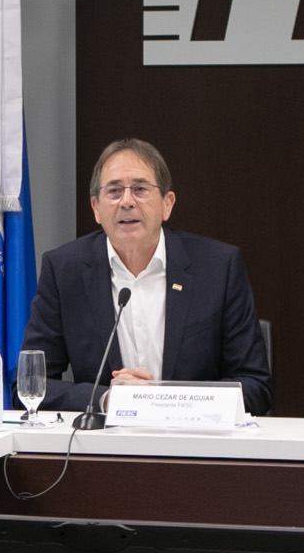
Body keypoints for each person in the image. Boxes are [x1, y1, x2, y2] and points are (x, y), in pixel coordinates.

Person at [18, 139, 268, 414]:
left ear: (167, 204)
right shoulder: (65, 270)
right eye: (114, 191)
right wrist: (106, 399)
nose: (127, 202)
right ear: (96, 208)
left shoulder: (218, 268)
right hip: (105, 437)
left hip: (192, 436)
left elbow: (256, 387)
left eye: (140, 189)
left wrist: (162, 401)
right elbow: (30, 385)